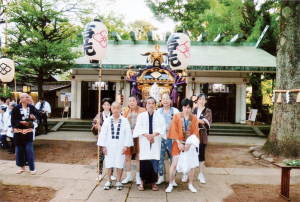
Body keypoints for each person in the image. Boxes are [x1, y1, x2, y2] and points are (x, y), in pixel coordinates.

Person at [165, 98, 200, 193]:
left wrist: (188, 145)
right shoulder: (176, 116)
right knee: (174, 164)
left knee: (191, 166)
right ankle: (171, 184)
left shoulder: (194, 118)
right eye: (185, 107)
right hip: (177, 144)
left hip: (189, 145)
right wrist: (179, 143)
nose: (187, 109)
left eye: (189, 107)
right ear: (182, 107)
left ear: (192, 108)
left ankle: (190, 184)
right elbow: (173, 129)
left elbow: (195, 133)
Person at [97, 101, 133, 190]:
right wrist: (103, 147)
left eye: (118, 108)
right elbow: (103, 134)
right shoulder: (107, 121)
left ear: (120, 109)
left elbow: (128, 134)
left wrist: (126, 146)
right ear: (111, 109)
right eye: (114, 108)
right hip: (109, 146)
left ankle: (118, 181)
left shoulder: (124, 121)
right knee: (108, 163)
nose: (116, 110)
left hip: (120, 146)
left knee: (119, 163)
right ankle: (108, 181)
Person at [133, 97, 165, 191]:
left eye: (152, 103)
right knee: (144, 161)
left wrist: (153, 135)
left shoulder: (159, 116)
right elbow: (138, 127)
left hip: (155, 140)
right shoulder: (141, 116)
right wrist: (148, 136)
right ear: (146, 105)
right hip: (145, 140)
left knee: (154, 160)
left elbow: (161, 128)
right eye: (149, 103)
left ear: (155, 105)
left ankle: (154, 183)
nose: (151, 105)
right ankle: (142, 182)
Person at [11, 93, 40, 175]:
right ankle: (21, 167)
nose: (28, 98)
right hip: (18, 132)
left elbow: (38, 115)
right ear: (21, 98)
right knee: (19, 150)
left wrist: (33, 118)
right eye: (26, 97)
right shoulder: (16, 108)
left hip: (28, 132)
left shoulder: (31, 107)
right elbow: (13, 119)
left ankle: (32, 168)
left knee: (29, 150)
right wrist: (20, 122)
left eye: (28, 97)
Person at [122, 95, 146, 185]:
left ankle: (138, 177)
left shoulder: (142, 111)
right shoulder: (125, 112)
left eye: (133, 100)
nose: (131, 102)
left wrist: (135, 130)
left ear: (137, 101)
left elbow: (144, 123)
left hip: (139, 136)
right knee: (127, 156)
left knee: (138, 157)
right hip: (128, 136)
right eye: (130, 101)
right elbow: (124, 124)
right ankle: (128, 176)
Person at [156, 93, 179, 185]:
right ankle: (161, 176)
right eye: (163, 99)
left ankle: (172, 179)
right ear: (161, 101)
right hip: (161, 138)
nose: (165, 101)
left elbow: (179, 124)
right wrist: (163, 128)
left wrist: (171, 128)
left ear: (170, 100)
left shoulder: (176, 111)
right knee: (160, 158)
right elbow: (156, 125)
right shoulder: (158, 112)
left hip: (172, 139)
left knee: (173, 158)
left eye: (167, 99)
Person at [92, 98, 116, 181]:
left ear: (110, 106)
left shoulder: (113, 115)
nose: (106, 106)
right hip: (102, 139)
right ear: (102, 106)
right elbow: (93, 126)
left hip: (111, 139)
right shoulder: (99, 115)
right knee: (100, 157)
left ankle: (111, 174)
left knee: (111, 156)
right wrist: (97, 126)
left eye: (108, 105)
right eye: (104, 104)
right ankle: (100, 173)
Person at [193, 93, 212, 184]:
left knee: (201, 154)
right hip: (192, 134)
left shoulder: (208, 111)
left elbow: (204, 122)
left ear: (206, 101)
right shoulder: (193, 110)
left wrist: (192, 119)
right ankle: (187, 172)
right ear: (197, 100)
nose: (201, 101)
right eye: (200, 99)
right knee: (190, 153)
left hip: (201, 135)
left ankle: (200, 174)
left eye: (203, 99)